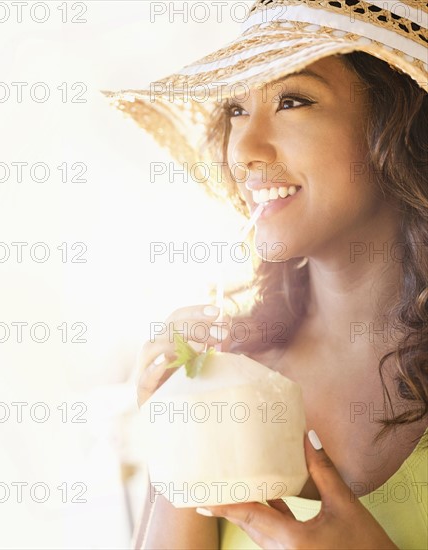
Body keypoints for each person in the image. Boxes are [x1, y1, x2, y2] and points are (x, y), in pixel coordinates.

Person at [104, 1, 428, 548]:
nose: (245, 150)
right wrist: (178, 432)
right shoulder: (228, 369)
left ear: (398, 129)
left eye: (293, 100)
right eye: (235, 109)